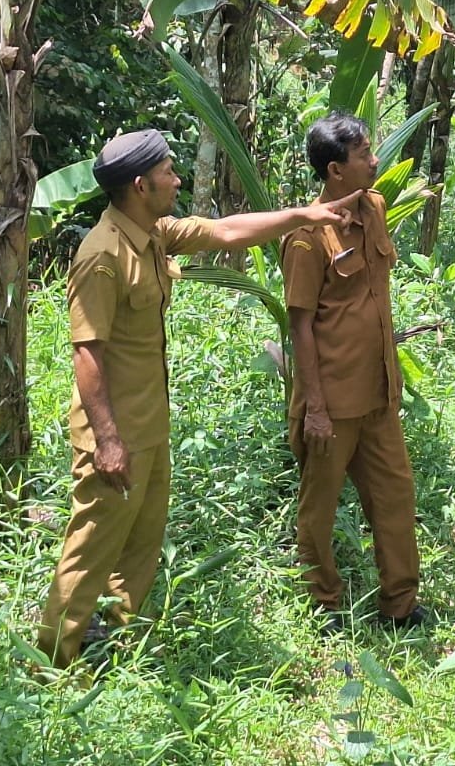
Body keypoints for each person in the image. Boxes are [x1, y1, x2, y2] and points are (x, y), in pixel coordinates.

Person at [38, 128, 356, 669]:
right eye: (168, 171)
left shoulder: (154, 233)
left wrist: (306, 216)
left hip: (150, 426)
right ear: (141, 185)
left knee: (141, 544)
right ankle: (50, 666)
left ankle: (112, 642)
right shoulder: (102, 255)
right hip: (114, 435)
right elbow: (86, 355)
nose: (176, 178)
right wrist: (108, 442)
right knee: (89, 551)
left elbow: (228, 231)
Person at [281, 113, 424, 631]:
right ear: (336, 170)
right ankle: (323, 604)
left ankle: (400, 605)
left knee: (395, 497)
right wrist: (314, 406)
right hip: (333, 403)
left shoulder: (376, 209)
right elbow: (301, 325)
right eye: (364, 154)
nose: (374, 161)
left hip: (379, 394)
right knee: (318, 510)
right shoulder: (305, 236)